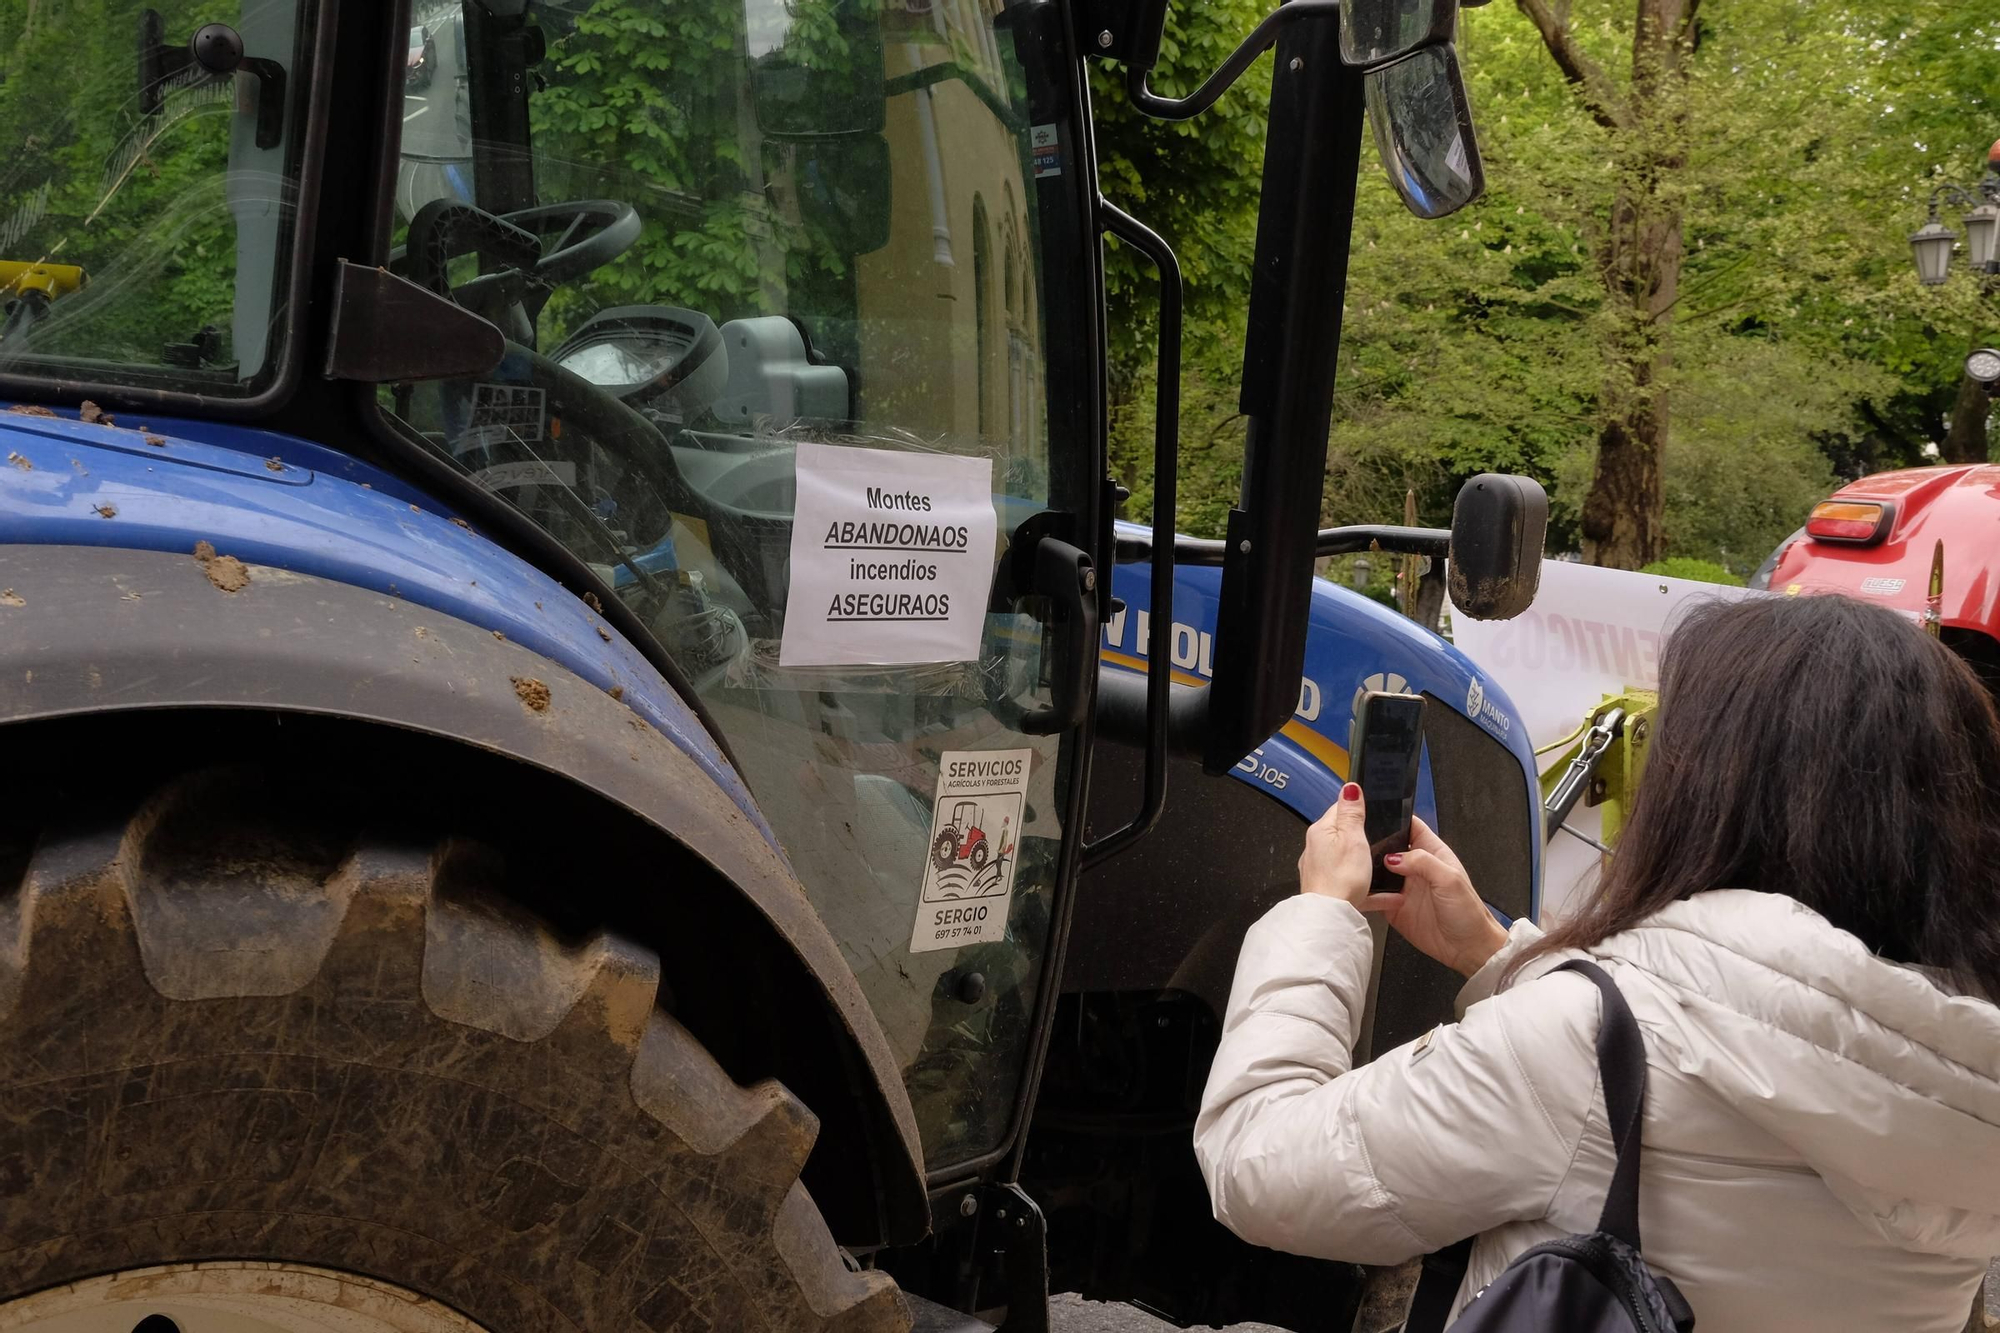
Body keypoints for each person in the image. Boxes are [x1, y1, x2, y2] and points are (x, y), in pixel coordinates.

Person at [1194, 594, 2000, 1332]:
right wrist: (1493, 950)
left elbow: (1259, 1164)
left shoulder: (1580, 1049)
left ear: (1711, 794)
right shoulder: (1970, 1081)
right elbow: (1768, 1022)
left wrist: (1321, 915)